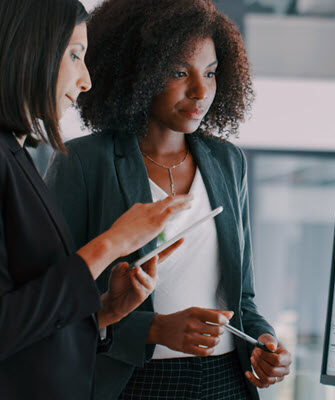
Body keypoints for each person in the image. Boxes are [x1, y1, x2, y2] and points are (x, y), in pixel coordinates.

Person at [45, 0, 292, 399]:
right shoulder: (83, 163)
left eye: (210, 73)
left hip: (225, 382)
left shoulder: (228, 162)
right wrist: (154, 329)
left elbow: (242, 298)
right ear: (137, 72)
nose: (200, 91)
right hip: (132, 382)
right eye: (180, 72)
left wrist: (264, 342)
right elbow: (53, 302)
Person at [0, 1, 193, 398]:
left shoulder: (19, 156)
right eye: (74, 55)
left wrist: (105, 311)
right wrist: (111, 244)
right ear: (29, 50)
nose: (86, 80)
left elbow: (28, 321)